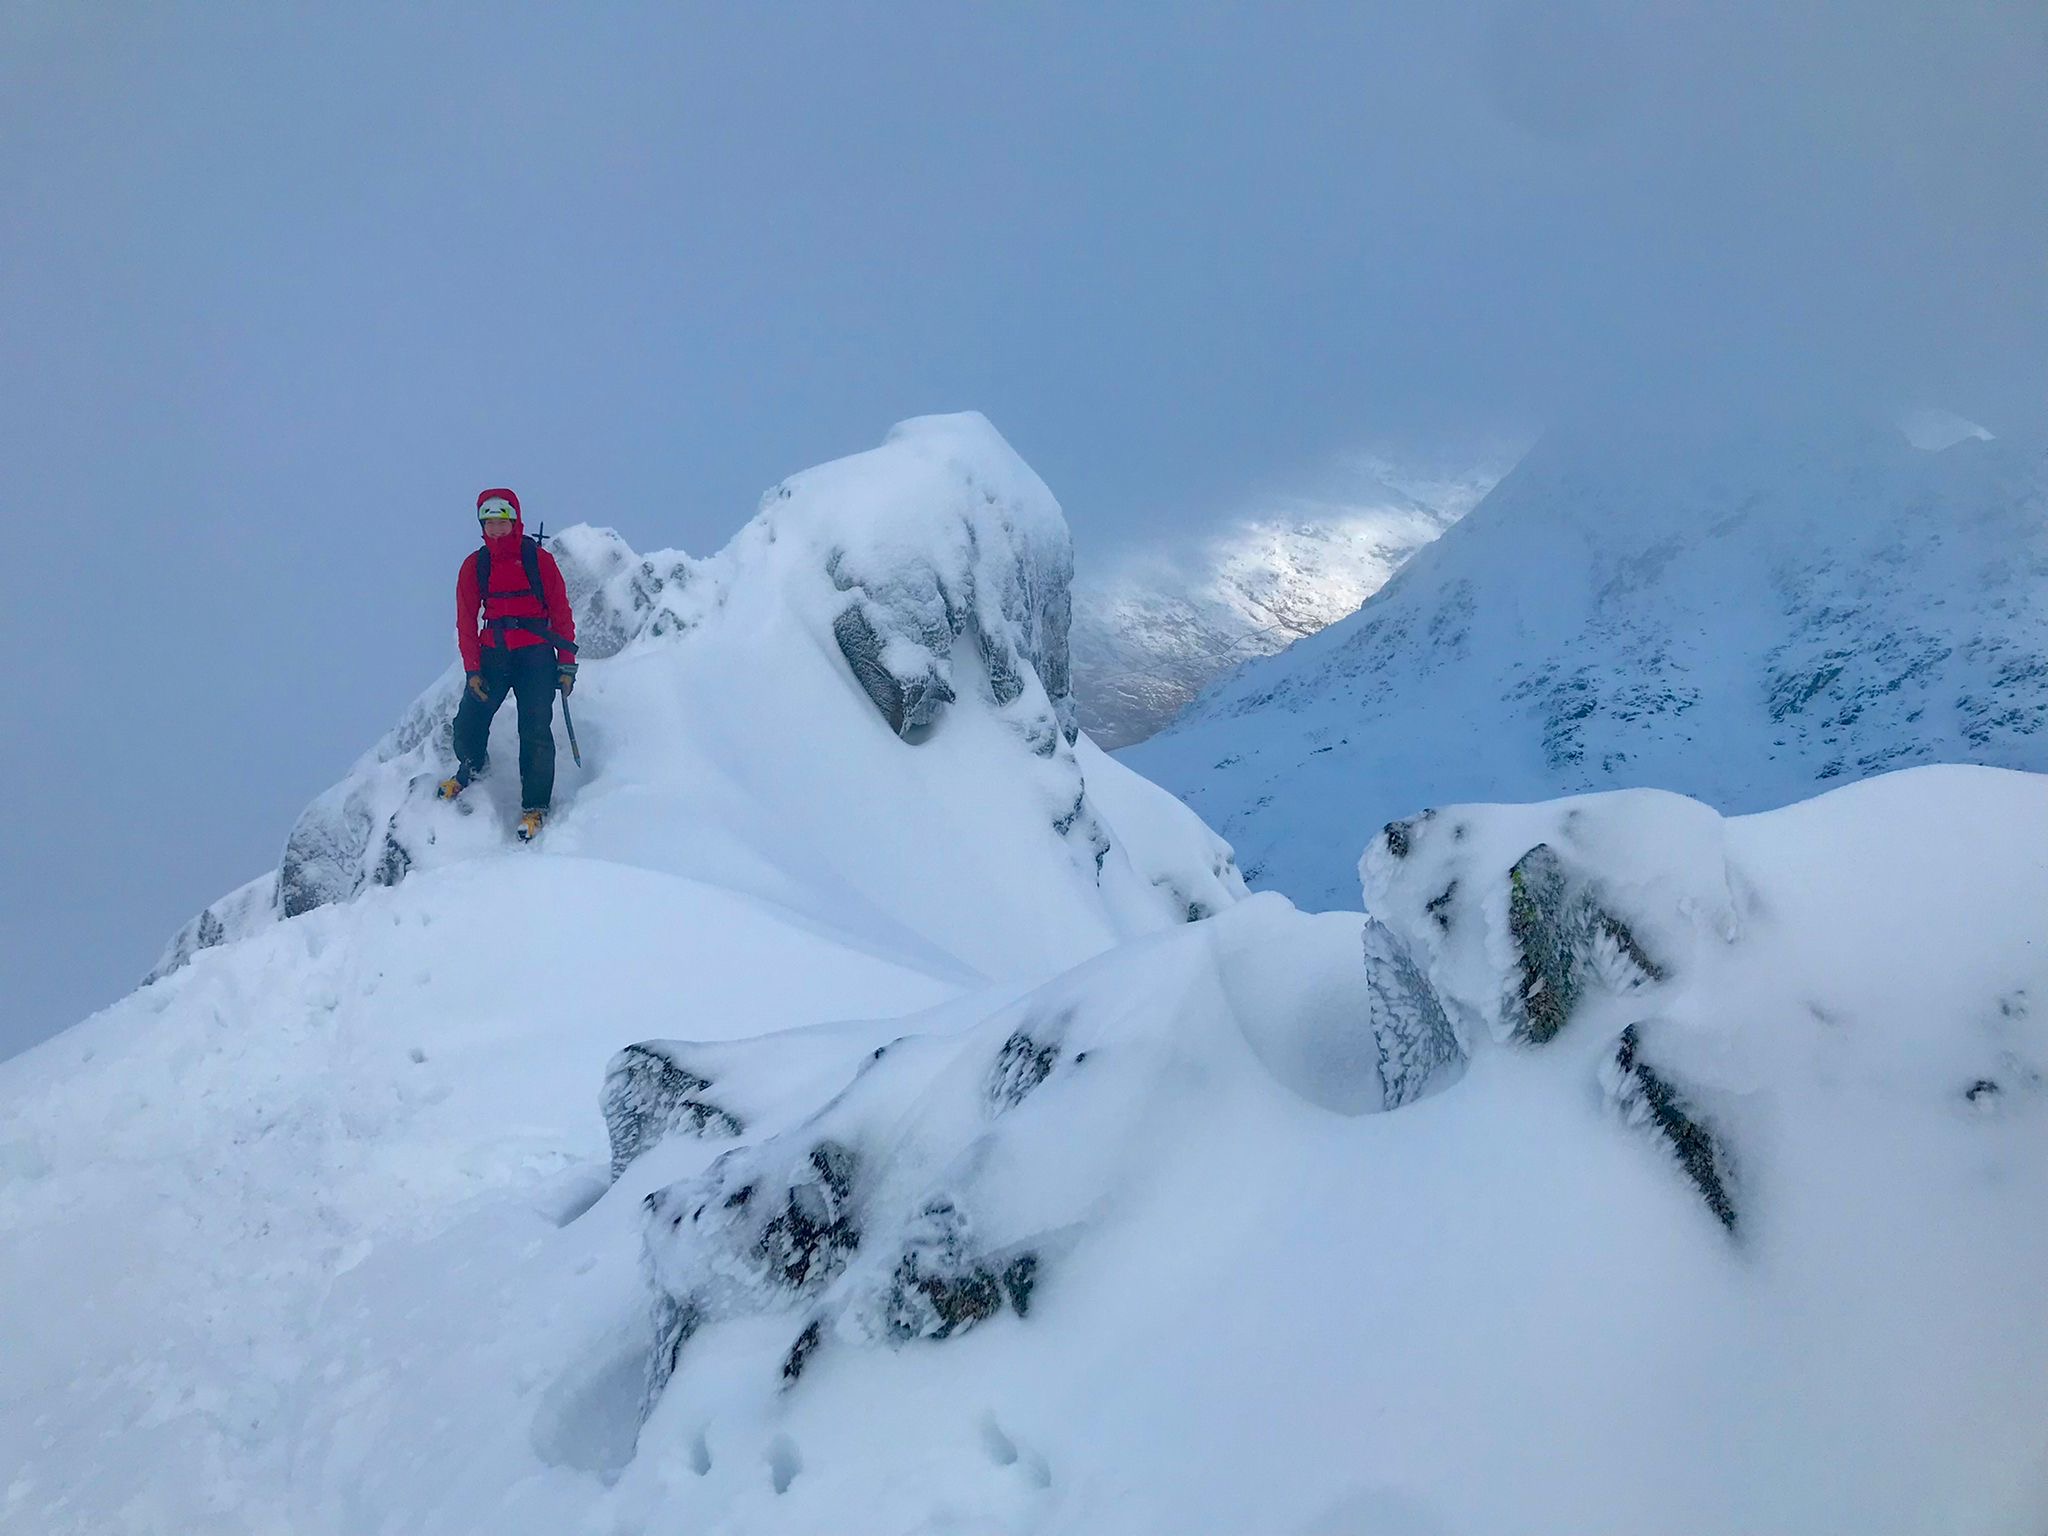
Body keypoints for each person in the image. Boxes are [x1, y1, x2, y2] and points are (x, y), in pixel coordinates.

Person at [438, 488, 578, 841]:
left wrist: (566, 665)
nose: (497, 529)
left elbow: (560, 612)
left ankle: (535, 806)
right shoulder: (475, 566)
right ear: (482, 526)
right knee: (469, 718)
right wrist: (472, 669)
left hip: (536, 658)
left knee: (535, 728)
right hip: (494, 655)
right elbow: (466, 620)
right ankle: (471, 768)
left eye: (503, 522)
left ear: (515, 521)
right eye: (490, 523)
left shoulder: (539, 561)